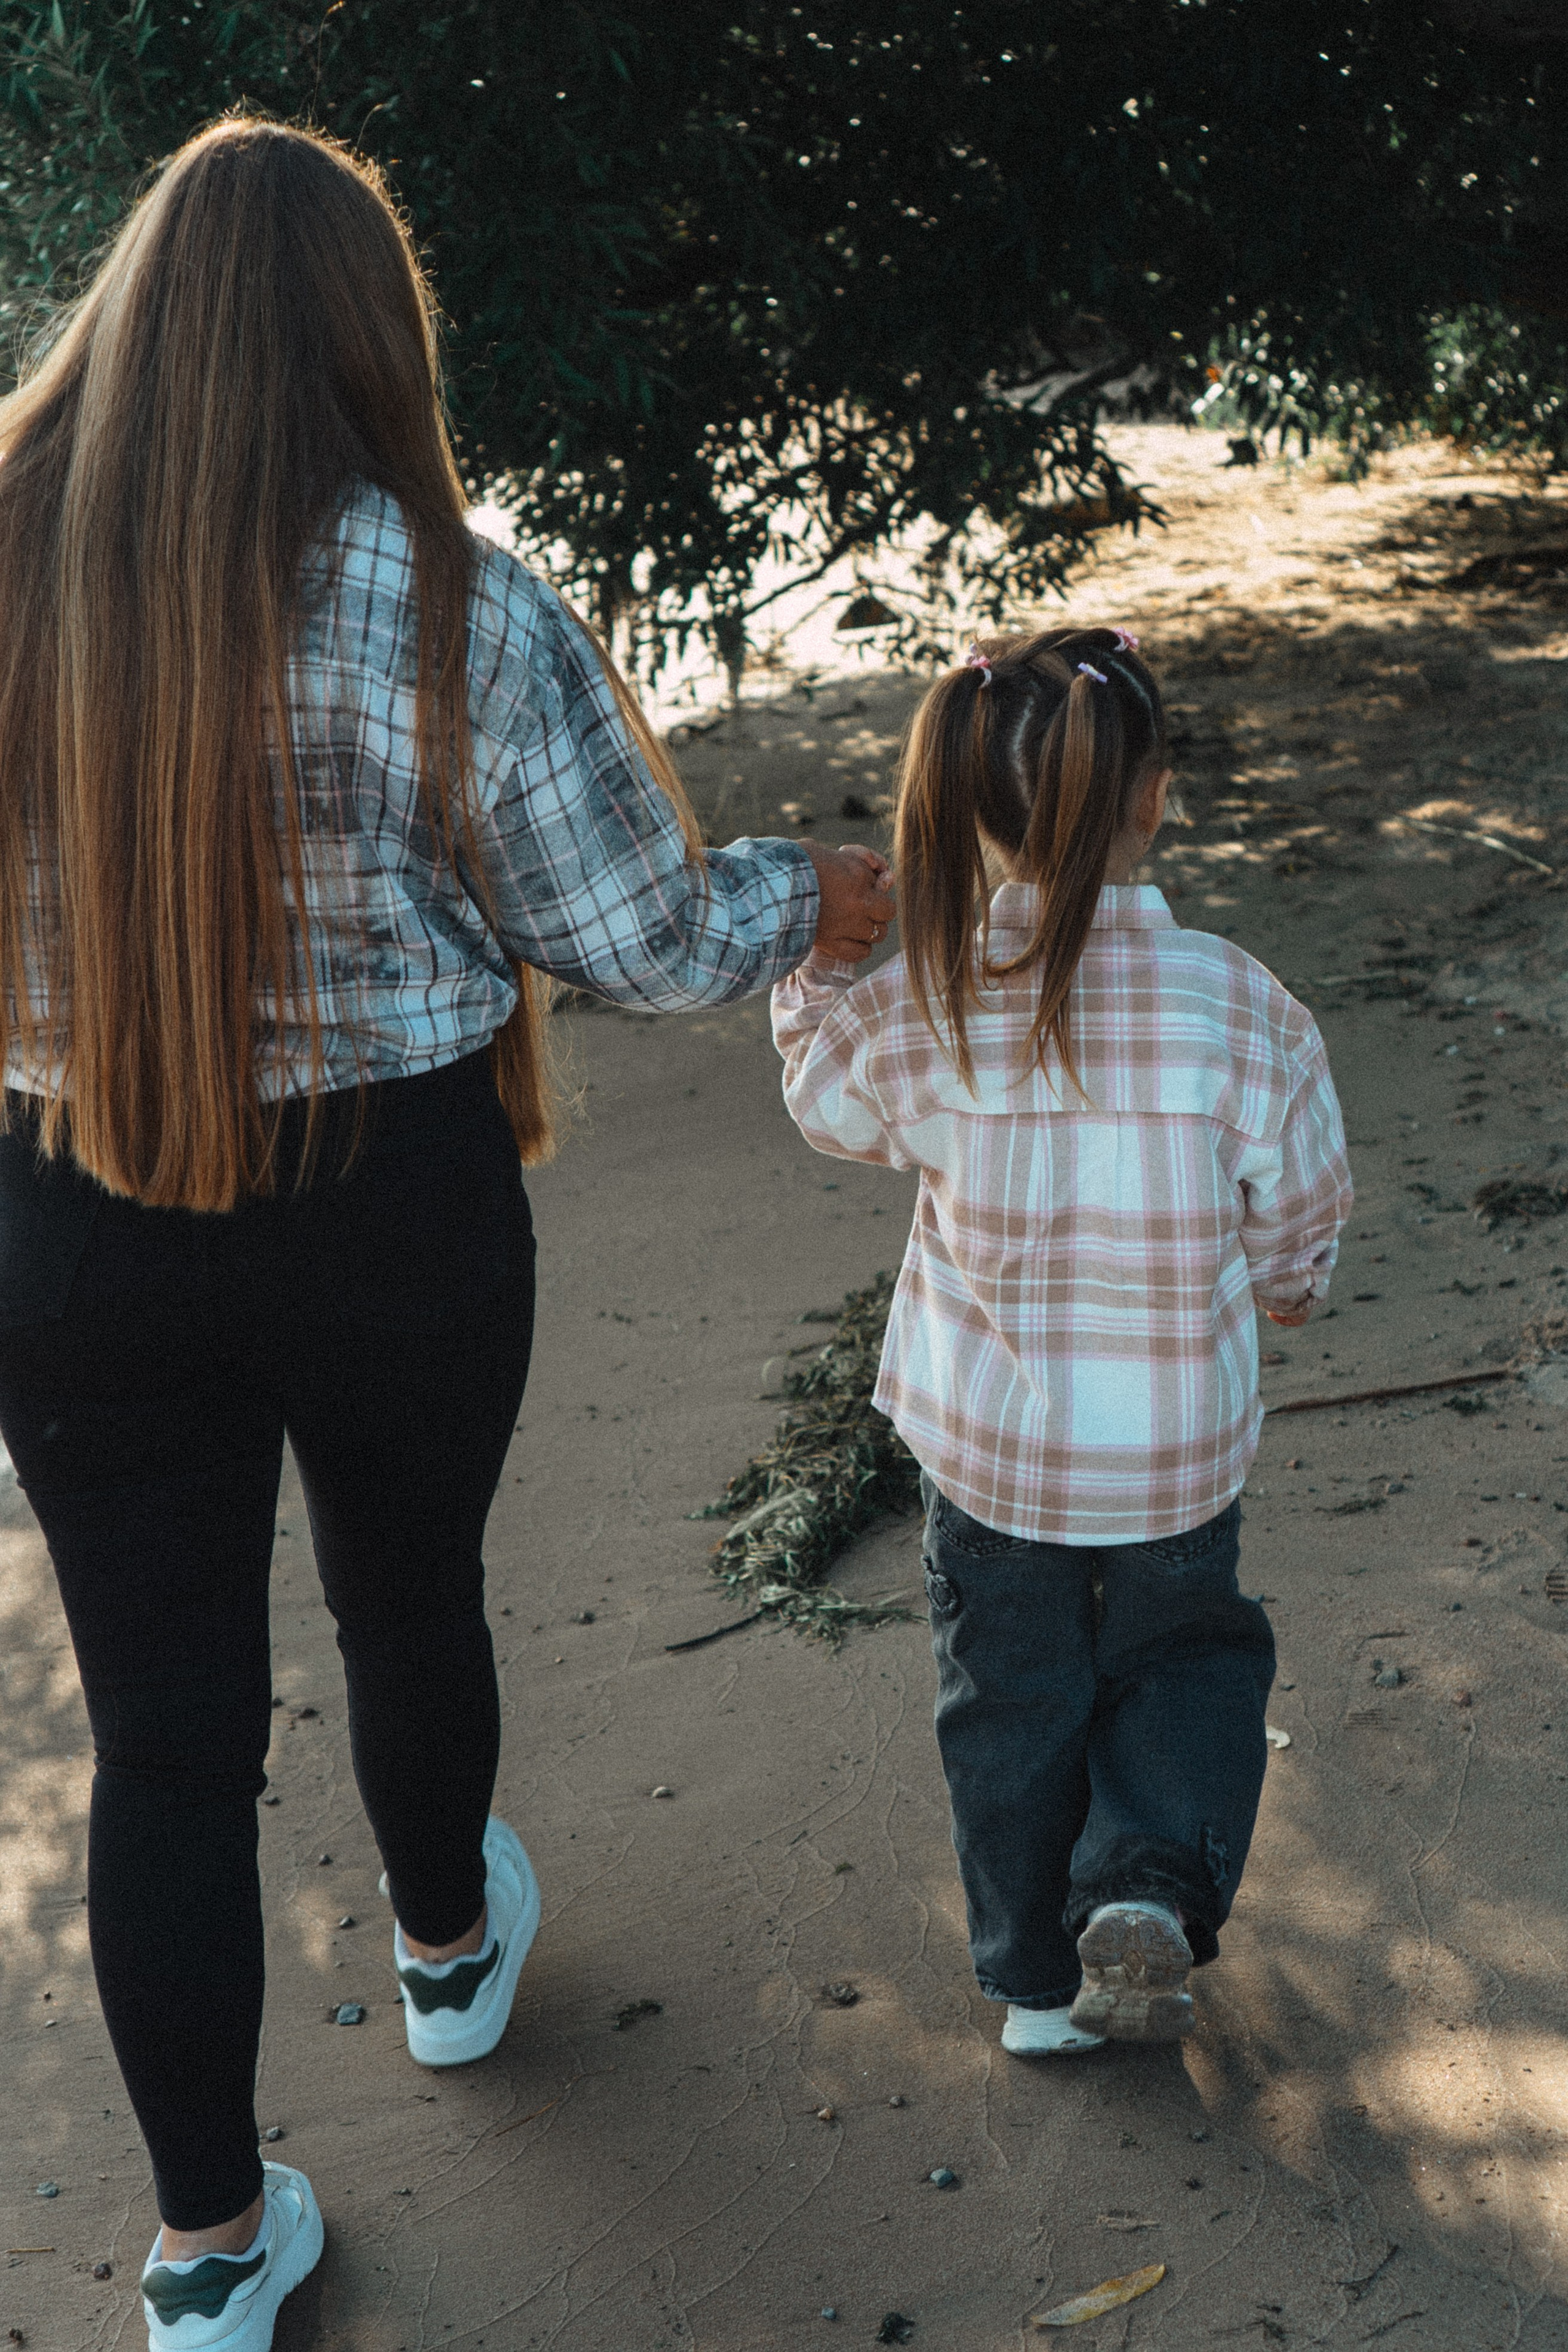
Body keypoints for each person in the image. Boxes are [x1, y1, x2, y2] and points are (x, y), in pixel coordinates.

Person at [0, 118, 892, 2351]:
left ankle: (208, 2252)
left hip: (65, 1207)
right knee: (411, 1595)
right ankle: (446, 1955)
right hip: (385, 1198)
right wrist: (816, 893)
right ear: (364, 335)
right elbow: (651, 937)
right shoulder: (461, 598)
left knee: (167, 1743)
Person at [773, 627, 1351, 2056]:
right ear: (1151, 796)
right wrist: (1285, 1280)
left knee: (1007, 1704)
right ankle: (1146, 1885)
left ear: (962, 810)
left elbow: (827, 1107)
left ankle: (1035, 1986)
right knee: (1186, 1663)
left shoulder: (924, 998)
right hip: (1172, 1453)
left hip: (990, 1459)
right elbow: (1300, 1192)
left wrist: (818, 968)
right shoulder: (1238, 1003)